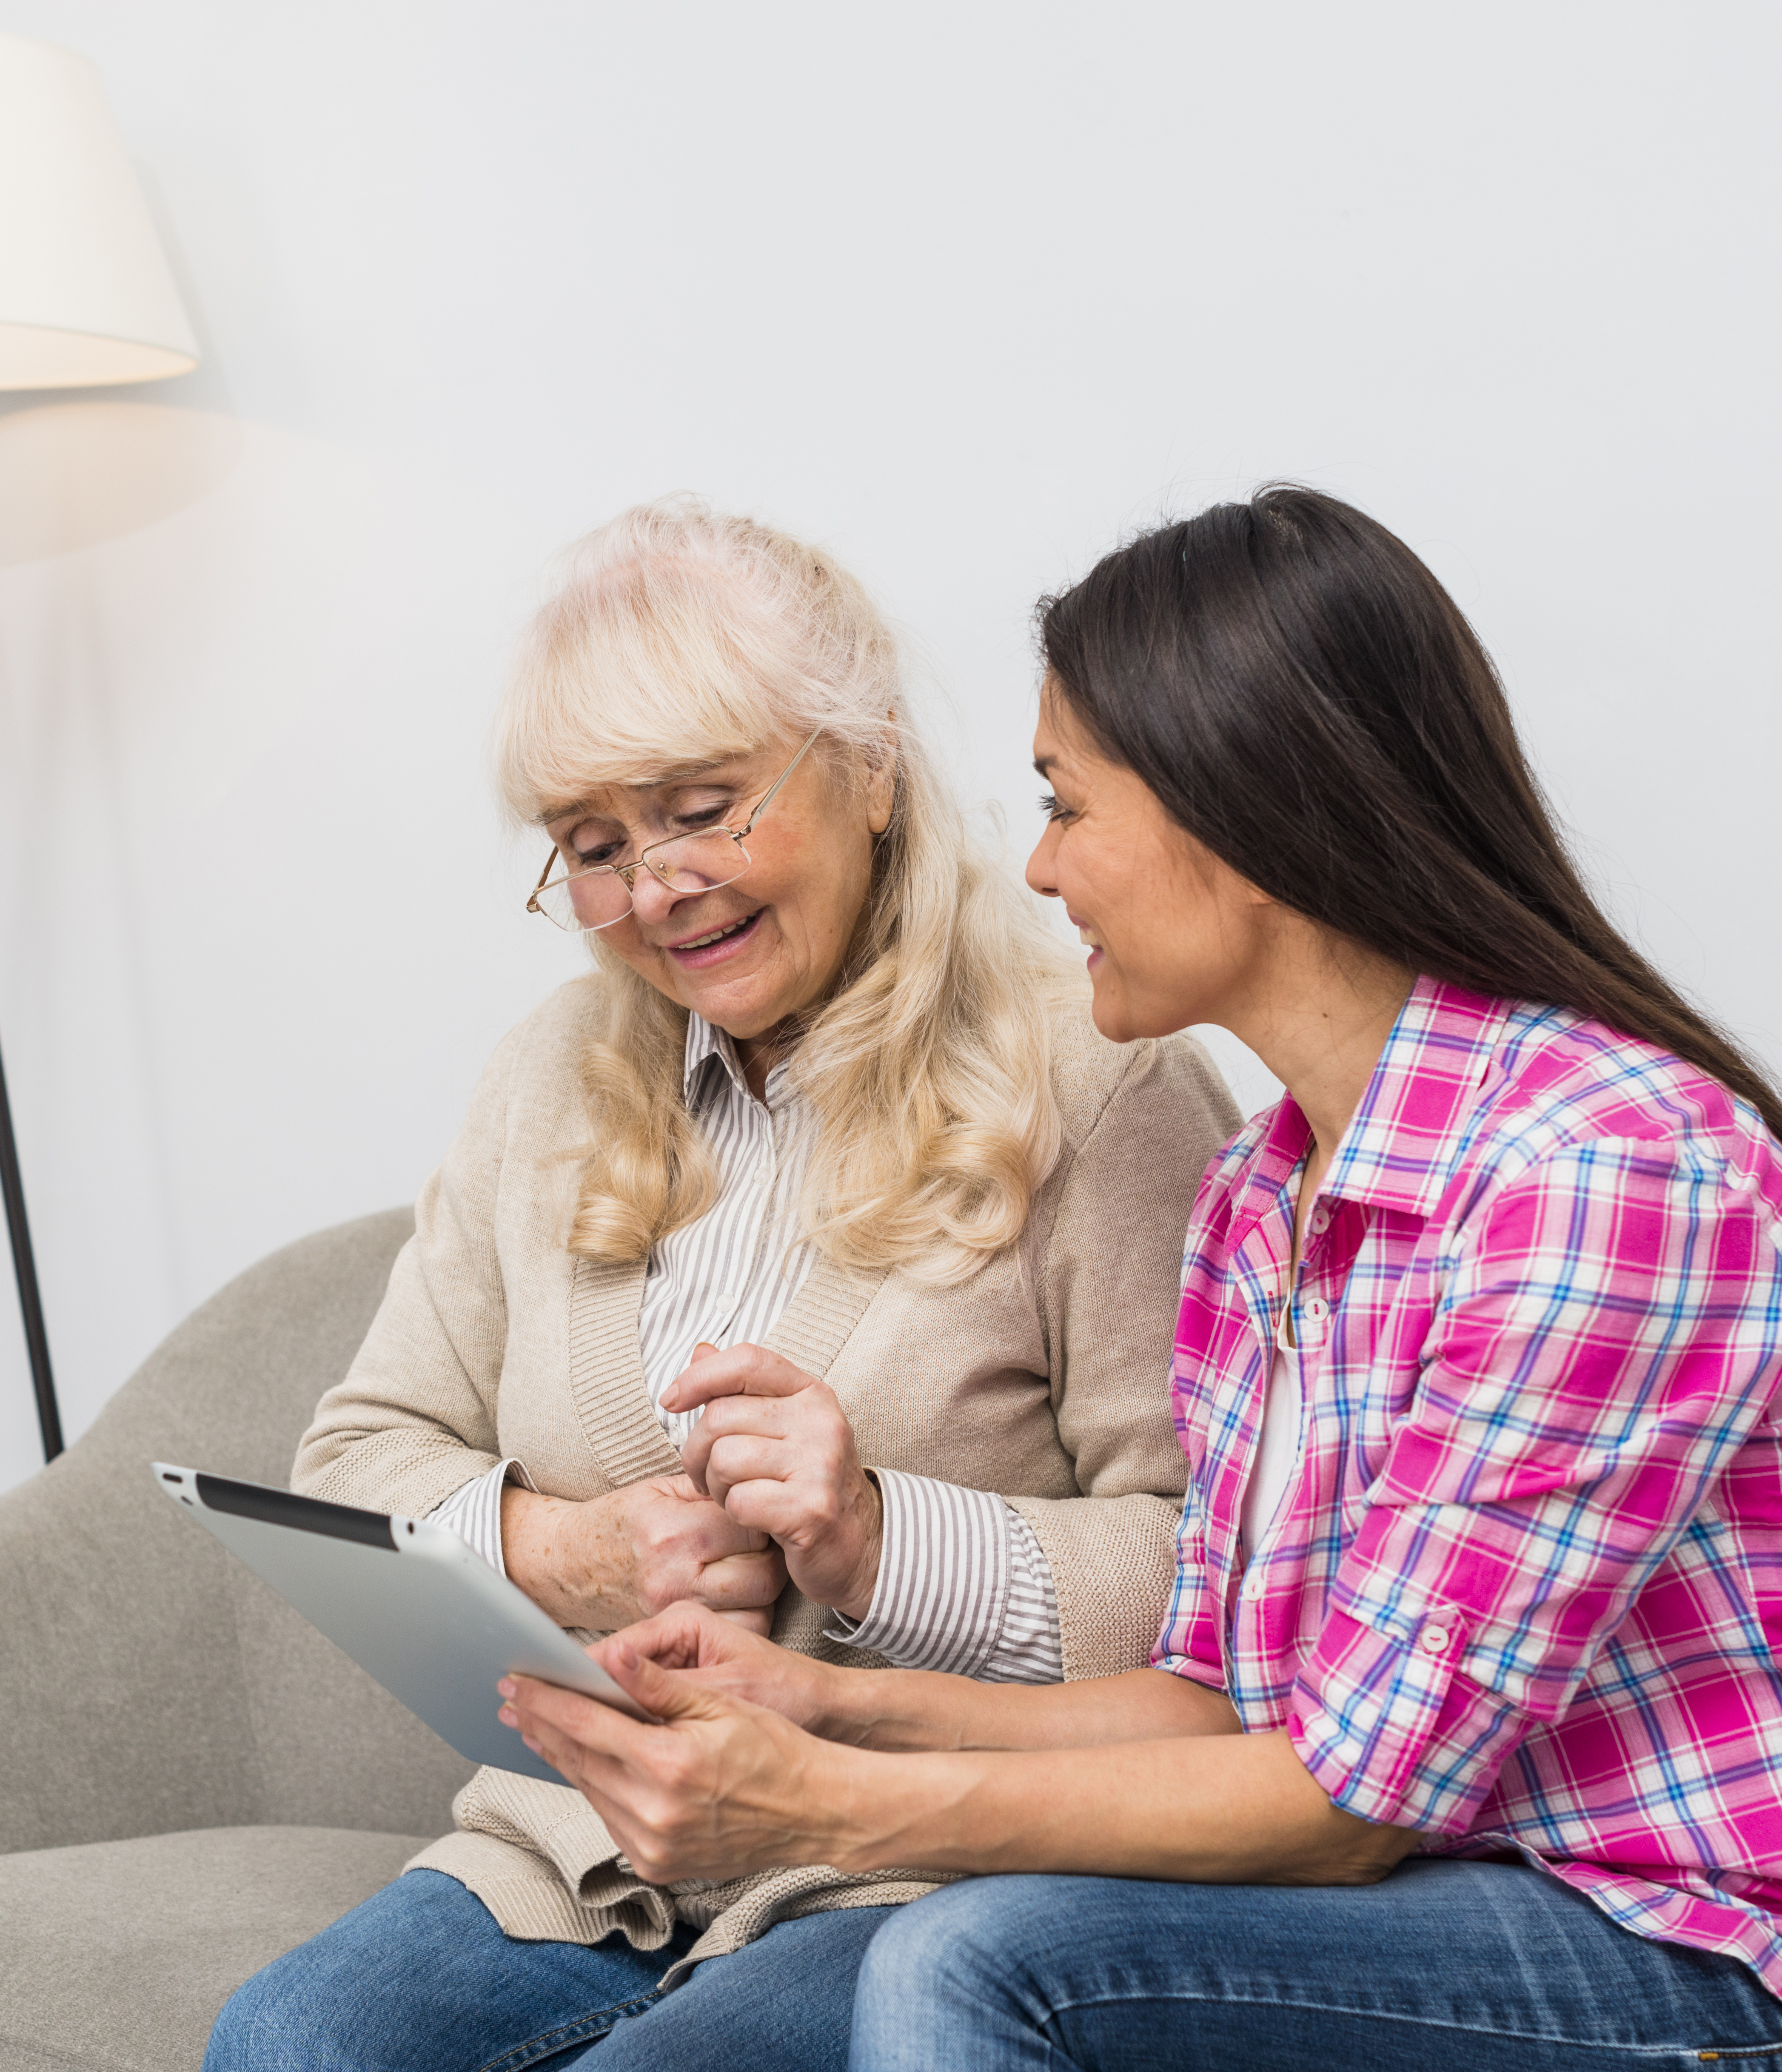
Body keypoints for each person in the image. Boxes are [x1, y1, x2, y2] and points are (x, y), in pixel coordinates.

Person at [501, 487, 1782, 2072]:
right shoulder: (1264, 1194)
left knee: (990, 1960)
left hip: (1751, 1973)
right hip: (1462, 1909)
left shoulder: (1594, 1176)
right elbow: (1231, 1709)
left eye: (1067, 806)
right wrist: (819, 1711)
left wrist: (828, 1805)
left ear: (1241, 814)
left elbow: (1345, 1805)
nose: (1035, 871)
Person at [202, 499, 1244, 2071]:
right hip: (583, 1854)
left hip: (923, 1872)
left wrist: (879, 1540)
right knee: (287, 2048)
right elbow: (355, 1460)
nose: (654, 891)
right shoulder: (551, 1075)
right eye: (595, 848)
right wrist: (575, 1547)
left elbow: (1218, 1600)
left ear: (870, 768)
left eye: (701, 809)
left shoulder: (1106, 1082)